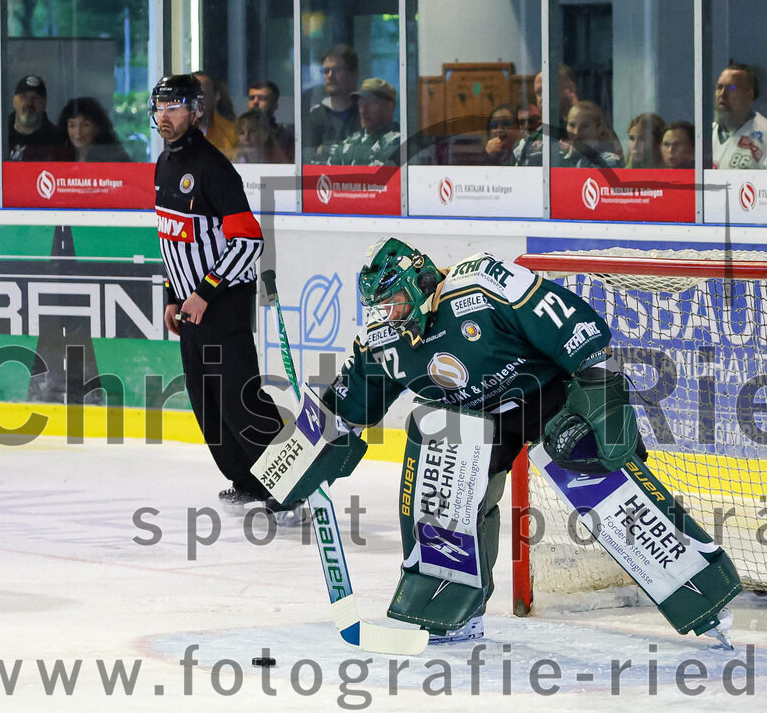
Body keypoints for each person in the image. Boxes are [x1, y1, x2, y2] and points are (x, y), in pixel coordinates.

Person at [278, 238, 740, 644]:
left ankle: (698, 588)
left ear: (418, 277)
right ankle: (454, 608)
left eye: (395, 302)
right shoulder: (384, 339)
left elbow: (575, 327)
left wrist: (605, 398)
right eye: (380, 308)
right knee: (440, 447)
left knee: (591, 466)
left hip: (544, 396)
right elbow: (347, 404)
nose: (390, 316)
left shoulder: (482, 282)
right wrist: (309, 451)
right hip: (476, 417)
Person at [148, 74, 297, 521]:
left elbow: (248, 241)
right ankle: (248, 480)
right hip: (190, 308)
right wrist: (175, 296)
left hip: (222, 304)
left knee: (239, 399)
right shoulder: (163, 164)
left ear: (196, 112)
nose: (164, 117)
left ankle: (291, 485)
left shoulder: (213, 167)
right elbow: (174, 239)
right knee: (207, 404)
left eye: (174, 108)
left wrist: (203, 293)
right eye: (159, 107)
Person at [0, 74, 71, 161]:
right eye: (23, 97)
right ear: (14, 101)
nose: (29, 103)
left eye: (35, 98)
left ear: (44, 104)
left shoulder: (56, 139)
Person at [711, 63, 767, 169]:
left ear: (749, 94)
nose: (722, 94)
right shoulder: (706, 134)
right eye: (719, 87)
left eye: (731, 88)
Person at [304, 45, 361, 162]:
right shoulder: (315, 115)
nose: (330, 76)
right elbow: (304, 156)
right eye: (326, 71)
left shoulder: (367, 112)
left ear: (354, 74)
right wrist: (322, 151)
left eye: (337, 70)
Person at [515, 64, 579, 166]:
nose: (542, 98)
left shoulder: (593, 128)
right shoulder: (536, 136)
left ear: (570, 89)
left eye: (548, 90)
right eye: (538, 93)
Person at [327, 78, 400, 166]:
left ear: (390, 106)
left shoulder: (398, 141)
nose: (363, 110)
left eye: (371, 103)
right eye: (361, 103)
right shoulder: (349, 143)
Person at [57, 97, 130, 162]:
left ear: (98, 127)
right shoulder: (64, 157)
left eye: (85, 125)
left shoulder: (113, 157)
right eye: (72, 125)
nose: (78, 131)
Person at [193, 71, 238, 160]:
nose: (195, 99)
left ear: (215, 97)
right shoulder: (176, 129)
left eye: (201, 94)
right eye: (191, 94)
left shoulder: (232, 133)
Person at [246, 79, 295, 160]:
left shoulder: (286, 139)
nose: (255, 102)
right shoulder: (236, 134)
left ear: (275, 104)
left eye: (262, 98)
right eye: (252, 98)